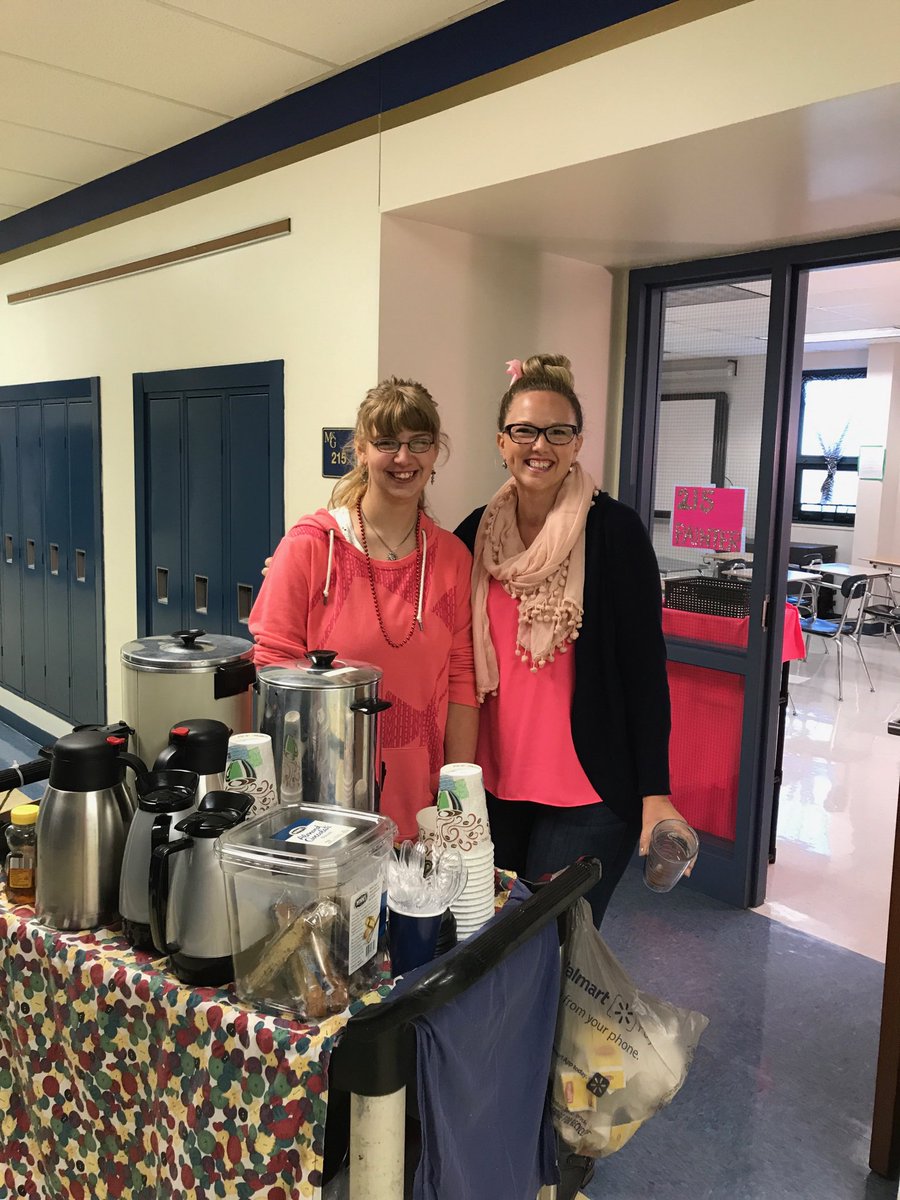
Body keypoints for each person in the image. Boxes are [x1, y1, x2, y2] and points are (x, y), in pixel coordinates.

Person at [454, 353, 693, 926]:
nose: (541, 445)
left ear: (577, 442)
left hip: (586, 790)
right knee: (481, 943)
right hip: (492, 785)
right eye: (525, 430)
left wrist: (654, 790)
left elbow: (643, 668)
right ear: (501, 441)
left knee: (553, 951)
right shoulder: (473, 534)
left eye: (558, 432)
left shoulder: (615, 532)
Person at [250, 377, 479, 840]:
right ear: (360, 450)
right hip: (322, 796)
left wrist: (458, 792)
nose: (403, 457)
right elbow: (273, 672)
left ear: (436, 454)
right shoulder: (312, 546)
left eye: (420, 443)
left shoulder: (452, 558)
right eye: (387, 442)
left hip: (421, 798)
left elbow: (461, 679)